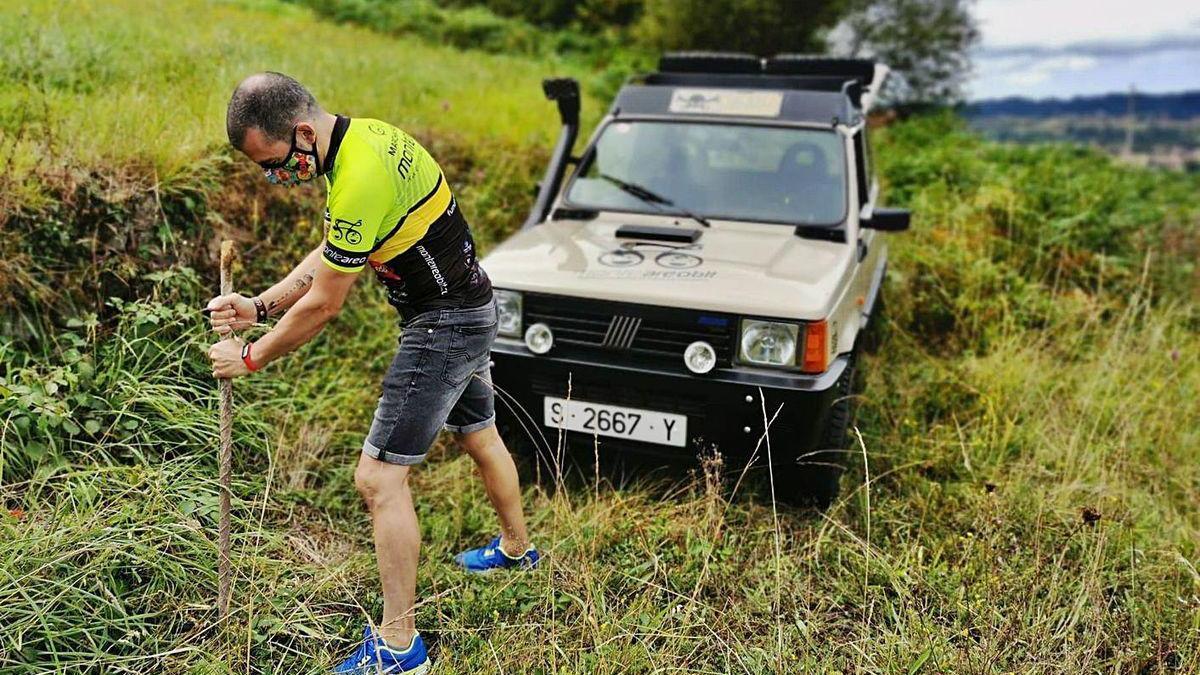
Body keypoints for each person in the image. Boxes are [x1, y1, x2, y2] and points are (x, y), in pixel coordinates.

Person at [206, 72, 538, 674]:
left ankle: (399, 646)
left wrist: (250, 355)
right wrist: (260, 308)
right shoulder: (362, 142)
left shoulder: (356, 175)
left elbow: (326, 304)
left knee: (378, 481)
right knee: (479, 435)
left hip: (444, 325)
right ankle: (518, 550)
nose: (274, 178)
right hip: (471, 307)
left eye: (274, 163)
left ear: (302, 131)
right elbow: (331, 253)